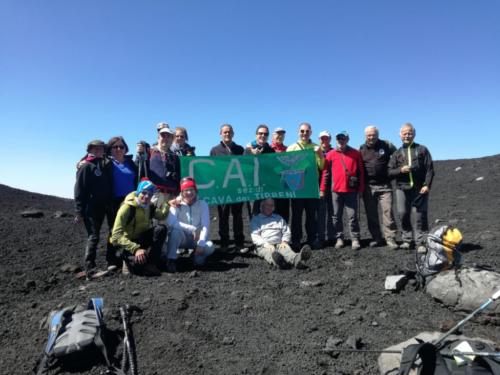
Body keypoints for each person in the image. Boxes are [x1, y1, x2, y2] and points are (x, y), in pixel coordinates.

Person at [388, 123, 434, 251]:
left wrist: (426, 185)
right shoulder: (397, 153)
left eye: (409, 133)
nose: (407, 135)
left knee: (420, 215)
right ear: (400, 135)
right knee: (402, 214)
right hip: (402, 188)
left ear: (414, 134)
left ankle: (421, 242)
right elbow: (389, 172)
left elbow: (429, 169)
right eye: (404, 133)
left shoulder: (422, 149)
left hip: (420, 188)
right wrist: (400, 170)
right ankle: (407, 240)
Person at [110, 179, 169, 276]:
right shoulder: (127, 208)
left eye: (150, 194)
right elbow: (116, 235)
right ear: (138, 192)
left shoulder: (149, 206)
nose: (146, 196)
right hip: (128, 243)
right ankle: (126, 260)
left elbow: (162, 216)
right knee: (137, 265)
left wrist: (167, 204)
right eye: (144, 193)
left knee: (161, 229)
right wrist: (136, 249)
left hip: (142, 239)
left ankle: (151, 264)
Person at [74, 140, 113, 275]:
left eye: (100, 149)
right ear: (89, 150)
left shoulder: (104, 164)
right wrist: (79, 211)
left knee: (111, 232)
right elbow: (79, 190)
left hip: (104, 206)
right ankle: (90, 268)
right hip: (91, 207)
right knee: (94, 236)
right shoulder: (86, 167)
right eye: (95, 149)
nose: (98, 151)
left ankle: (111, 261)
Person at [320, 131, 364, 250]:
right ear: (336, 140)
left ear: (347, 139)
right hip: (336, 191)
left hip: (351, 191)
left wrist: (360, 189)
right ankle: (339, 238)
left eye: (343, 138)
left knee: (353, 216)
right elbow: (326, 173)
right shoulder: (330, 154)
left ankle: (355, 238)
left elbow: (361, 172)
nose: (341, 140)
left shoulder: (355, 153)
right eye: (339, 138)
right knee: (336, 216)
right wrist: (323, 189)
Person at [359, 126, 399, 250]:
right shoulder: (361, 149)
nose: (371, 137)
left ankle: (390, 238)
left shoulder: (386, 145)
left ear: (378, 134)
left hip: (385, 185)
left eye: (373, 135)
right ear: (365, 136)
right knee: (371, 214)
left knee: (388, 212)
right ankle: (376, 237)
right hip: (368, 186)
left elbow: (398, 156)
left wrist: (394, 170)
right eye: (369, 135)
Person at [209, 124, 247, 253]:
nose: (227, 134)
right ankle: (224, 243)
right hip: (222, 189)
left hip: (237, 189)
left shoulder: (240, 149)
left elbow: (246, 167)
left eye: (229, 132)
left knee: (238, 216)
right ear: (220, 133)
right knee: (223, 216)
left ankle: (239, 243)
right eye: (225, 132)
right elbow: (212, 170)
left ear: (233, 133)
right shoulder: (214, 150)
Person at [286, 122, 324, 251]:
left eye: (307, 131)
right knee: (296, 216)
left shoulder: (316, 147)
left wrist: (319, 154)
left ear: (311, 132)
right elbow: (286, 167)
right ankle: (296, 240)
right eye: (302, 131)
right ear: (298, 132)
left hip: (312, 187)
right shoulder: (291, 148)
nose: (304, 133)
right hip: (297, 188)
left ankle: (311, 239)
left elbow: (322, 167)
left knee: (311, 216)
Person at [163, 177, 214, 273]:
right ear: (182, 192)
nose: (189, 193)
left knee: (210, 246)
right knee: (174, 232)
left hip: (196, 238)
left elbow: (205, 225)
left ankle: (194, 256)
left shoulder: (202, 204)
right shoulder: (176, 203)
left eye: (192, 190)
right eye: (186, 190)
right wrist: (191, 228)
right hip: (182, 237)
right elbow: (172, 222)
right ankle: (171, 260)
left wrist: (201, 243)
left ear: (196, 190)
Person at [105, 136, 139, 267]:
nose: (118, 149)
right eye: (115, 147)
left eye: (121, 146)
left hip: (130, 200)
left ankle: (127, 257)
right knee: (114, 229)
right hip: (113, 201)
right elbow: (90, 158)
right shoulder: (106, 163)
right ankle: (111, 258)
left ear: (125, 149)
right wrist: (82, 161)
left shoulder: (131, 163)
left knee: (129, 228)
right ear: (110, 149)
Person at [251, 199, 312, 269]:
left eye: (271, 206)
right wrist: (266, 244)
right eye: (267, 205)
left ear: (274, 208)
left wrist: (284, 241)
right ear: (261, 207)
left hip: (279, 244)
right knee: (269, 253)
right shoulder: (256, 219)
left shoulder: (279, 218)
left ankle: (297, 259)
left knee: (287, 251)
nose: (269, 207)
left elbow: (286, 230)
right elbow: (255, 236)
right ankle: (277, 262)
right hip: (263, 246)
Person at [136, 122, 181, 199]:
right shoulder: (149, 152)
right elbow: (139, 170)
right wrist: (139, 155)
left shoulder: (175, 157)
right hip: (152, 194)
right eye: (163, 135)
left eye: (168, 136)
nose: (165, 138)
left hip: (172, 196)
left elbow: (179, 178)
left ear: (172, 139)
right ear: (158, 138)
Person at [245, 124, 275, 216]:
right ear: (256, 134)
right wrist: (251, 154)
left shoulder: (271, 150)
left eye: (265, 134)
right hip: (252, 187)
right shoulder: (248, 149)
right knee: (254, 214)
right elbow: (243, 167)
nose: (263, 135)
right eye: (260, 133)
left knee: (267, 214)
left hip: (266, 187)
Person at [317, 130, 335, 247]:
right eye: (322, 138)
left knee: (333, 213)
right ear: (319, 140)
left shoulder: (334, 152)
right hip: (319, 187)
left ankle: (332, 237)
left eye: (326, 138)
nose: (324, 140)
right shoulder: (314, 151)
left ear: (330, 139)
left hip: (333, 187)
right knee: (320, 213)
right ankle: (321, 237)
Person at [269, 127, 289, 222]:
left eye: (282, 134)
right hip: (270, 187)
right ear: (273, 136)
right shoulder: (267, 149)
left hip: (284, 187)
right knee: (271, 212)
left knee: (284, 213)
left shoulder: (288, 150)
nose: (280, 136)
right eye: (278, 134)